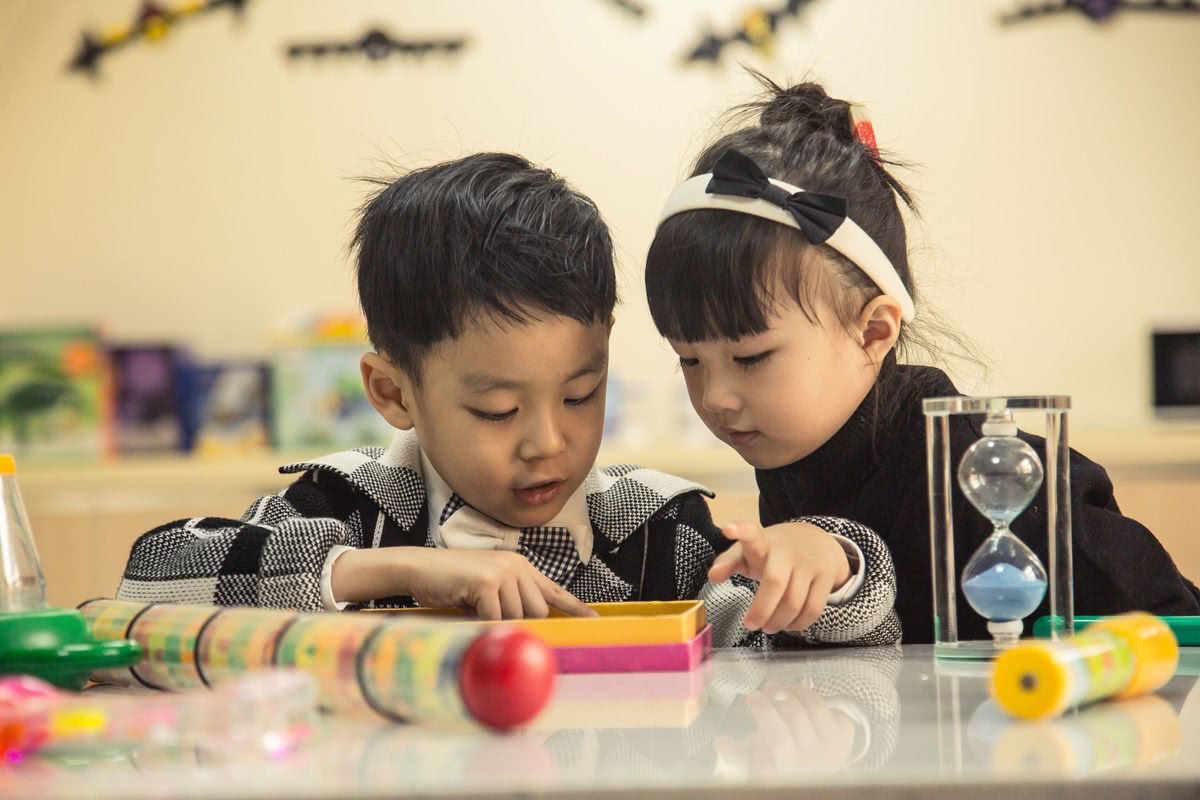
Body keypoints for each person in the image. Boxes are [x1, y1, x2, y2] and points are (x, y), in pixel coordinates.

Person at [118, 152, 900, 647]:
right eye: (497, 411)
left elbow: (827, 642)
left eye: (582, 394)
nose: (547, 443)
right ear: (395, 392)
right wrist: (393, 571)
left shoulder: (659, 530)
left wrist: (832, 561)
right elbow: (149, 578)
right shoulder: (350, 506)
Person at [643, 75, 1200, 644]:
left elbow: (1173, 624)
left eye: (752, 357)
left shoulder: (983, 473)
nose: (714, 397)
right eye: (688, 360)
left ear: (873, 331)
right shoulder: (802, 445)